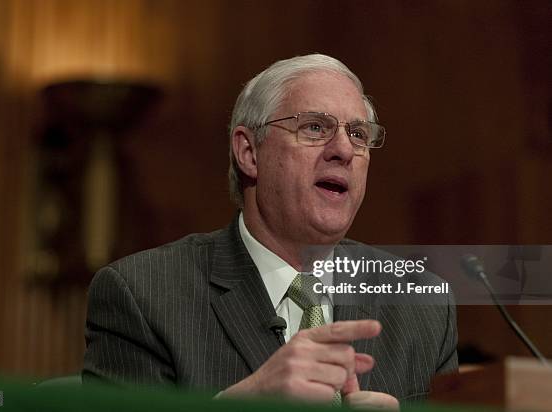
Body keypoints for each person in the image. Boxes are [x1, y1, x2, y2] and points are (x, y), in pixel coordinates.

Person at [82, 54, 458, 409]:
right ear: (249, 153)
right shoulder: (142, 295)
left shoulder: (423, 307)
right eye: (315, 127)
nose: (343, 149)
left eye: (359, 134)